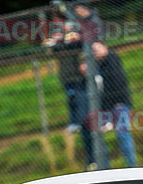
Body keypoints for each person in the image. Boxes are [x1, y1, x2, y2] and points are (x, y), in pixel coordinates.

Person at [42, 9, 96, 170]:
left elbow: (82, 45)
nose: (57, 24)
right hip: (67, 78)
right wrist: (56, 41)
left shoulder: (76, 31)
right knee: (75, 107)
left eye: (59, 20)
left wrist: (67, 37)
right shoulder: (59, 36)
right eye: (54, 21)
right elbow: (55, 51)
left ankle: (94, 156)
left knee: (85, 115)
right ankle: (75, 125)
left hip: (80, 79)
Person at [92, 41, 137, 168]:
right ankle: (105, 167)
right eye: (93, 50)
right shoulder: (96, 66)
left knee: (123, 135)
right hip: (106, 107)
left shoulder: (112, 59)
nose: (95, 52)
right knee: (100, 136)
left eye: (97, 48)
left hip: (118, 104)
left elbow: (118, 81)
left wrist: (118, 101)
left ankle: (131, 166)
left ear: (105, 47)